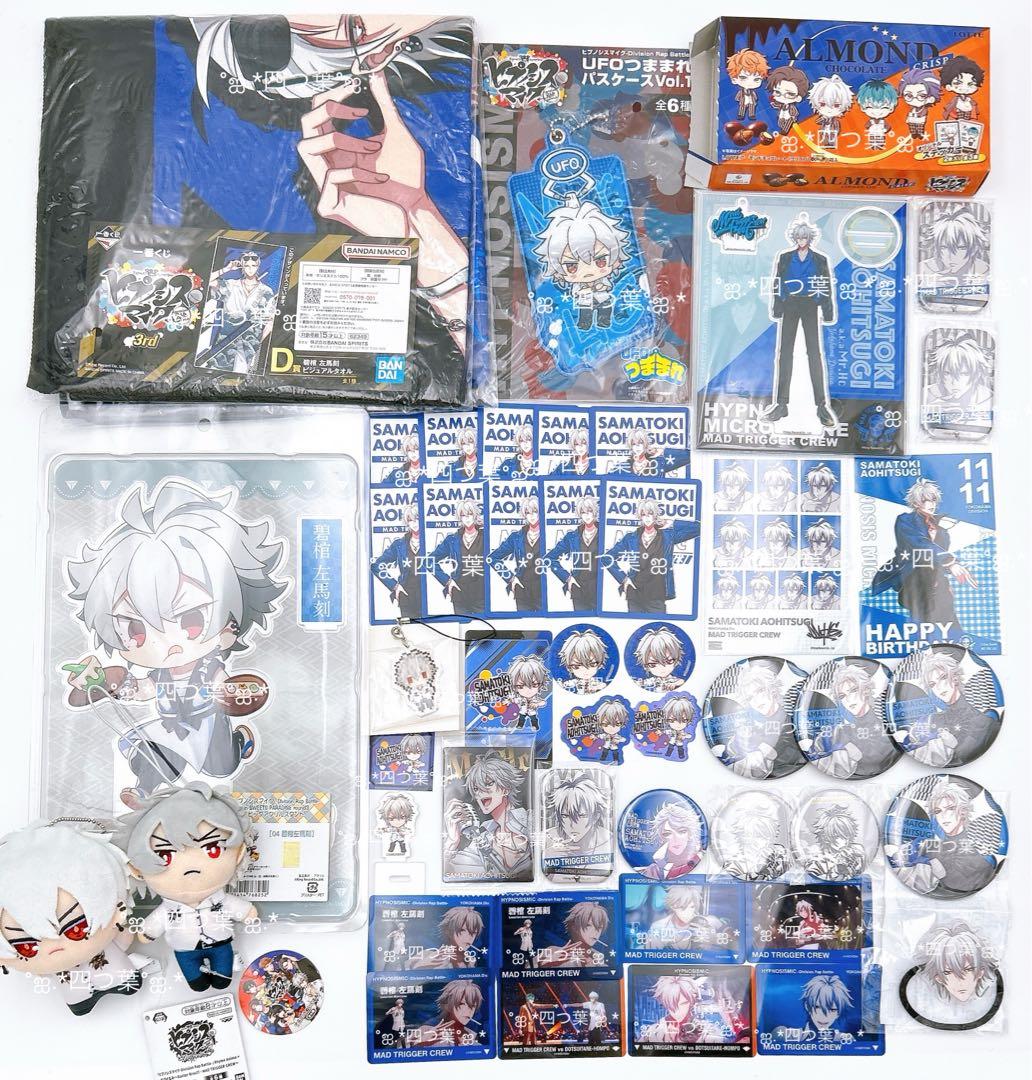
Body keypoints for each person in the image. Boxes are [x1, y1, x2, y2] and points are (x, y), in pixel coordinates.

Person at [64, 479, 286, 807]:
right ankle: (143, 791)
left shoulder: (210, 668)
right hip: (172, 727)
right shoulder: (160, 674)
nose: (169, 642)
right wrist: (112, 686)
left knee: (221, 765)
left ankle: (240, 741)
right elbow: (143, 689)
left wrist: (230, 684)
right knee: (156, 755)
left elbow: (228, 689)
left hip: (208, 724)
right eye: (137, 629)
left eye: (191, 620)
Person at [0, 822, 152, 1015]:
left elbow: (123, 936)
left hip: (111, 967)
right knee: (76, 987)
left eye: (75, 928)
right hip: (74, 982)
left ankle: (103, 987)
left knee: (109, 969)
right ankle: (82, 998)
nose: (53, 944)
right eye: (27, 947)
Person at [117, 783, 257, 992]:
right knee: (196, 982)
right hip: (185, 951)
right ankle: (197, 979)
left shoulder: (220, 900)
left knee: (223, 977)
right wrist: (148, 932)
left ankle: (221, 975)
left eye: (212, 849)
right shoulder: (169, 909)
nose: (191, 867)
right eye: (165, 855)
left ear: (238, 854)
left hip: (221, 945)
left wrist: (247, 912)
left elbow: (237, 907)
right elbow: (157, 920)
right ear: (137, 870)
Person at [870, 478, 977, 631]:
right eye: (926, 500)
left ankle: (956, 638)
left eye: (933, 500)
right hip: (914, 581)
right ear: (916, 503)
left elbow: (937, 559)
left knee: (948, 617)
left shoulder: (942, 532)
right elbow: (920, 544)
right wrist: (951, 562)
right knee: (924, 622)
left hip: (936, 584)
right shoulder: (905, 521)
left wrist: (953, 570)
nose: (931, 504)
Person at [765, 215, 838, 429]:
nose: (801, 240)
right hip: (790, 304)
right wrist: (778, 306)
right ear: (794, 238)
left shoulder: (820, 259)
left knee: (814, 353)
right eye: (798, 236)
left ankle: (822, 405)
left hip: (809, 305)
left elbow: (826, 285)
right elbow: (778, 282)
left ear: (810, 238)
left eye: (805, 237)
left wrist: (827, 311)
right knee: (784, 353)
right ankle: (781, 404)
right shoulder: (785, 257)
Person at [443, 753, 531, 881]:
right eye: (475, 789)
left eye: (488, 784)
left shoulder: (530, 820)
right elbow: (451, 873)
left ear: (506, 788)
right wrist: (452, 841)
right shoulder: (482, 837)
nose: (480, 792)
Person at [604, 498, 699, 614]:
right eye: (644, 514)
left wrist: (671, 522)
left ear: (655, 515)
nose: (647, 518)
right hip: (634, 593)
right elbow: (607, 558)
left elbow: (698, 528)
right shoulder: (631, 538)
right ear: (640, 516)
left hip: (657, 594)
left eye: (650, 514)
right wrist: (623, 579)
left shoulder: (668, 536)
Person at [429, 495, 486, 616]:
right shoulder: (452, 540)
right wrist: (447, 581)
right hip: (459, 594)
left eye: (470, 514)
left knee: (484, 626)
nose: (467, 518)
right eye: (463, 515)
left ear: (475, 515)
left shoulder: (486, 536)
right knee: (462, 627)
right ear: (459, 517)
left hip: (482, 595)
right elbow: (429, 561)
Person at [488, 497, 545, 612]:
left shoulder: (547, 534)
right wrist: (510, 578)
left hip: (544, 590)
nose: (532, 516)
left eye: (535, 511)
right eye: (528, 512)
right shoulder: (516, 537)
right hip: (522, 589)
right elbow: (492, 558)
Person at [545, 495, 600, 611]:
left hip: (599, 590)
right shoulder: (572, 537)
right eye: (583, 512)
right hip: (578, 589)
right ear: (579, 514)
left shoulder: (604, 533)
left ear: (595, 512)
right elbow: (549, 558)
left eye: (590, 511)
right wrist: (567, 578)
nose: (587, 515)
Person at [372, 502, 424, 620]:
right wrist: (394, 586)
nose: (414, 523)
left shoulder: (430, 541)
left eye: (417, 519)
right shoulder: (399, 545)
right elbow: (376, 566)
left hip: (429, 597)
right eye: (410, 520)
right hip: (407, 596)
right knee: (410, 629)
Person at [641, 802, 701, 880]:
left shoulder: (700, 859)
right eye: (667, 834)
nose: (676, 839)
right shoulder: (654, 870)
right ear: (661, 837)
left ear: (690, 834)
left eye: (681, 831)